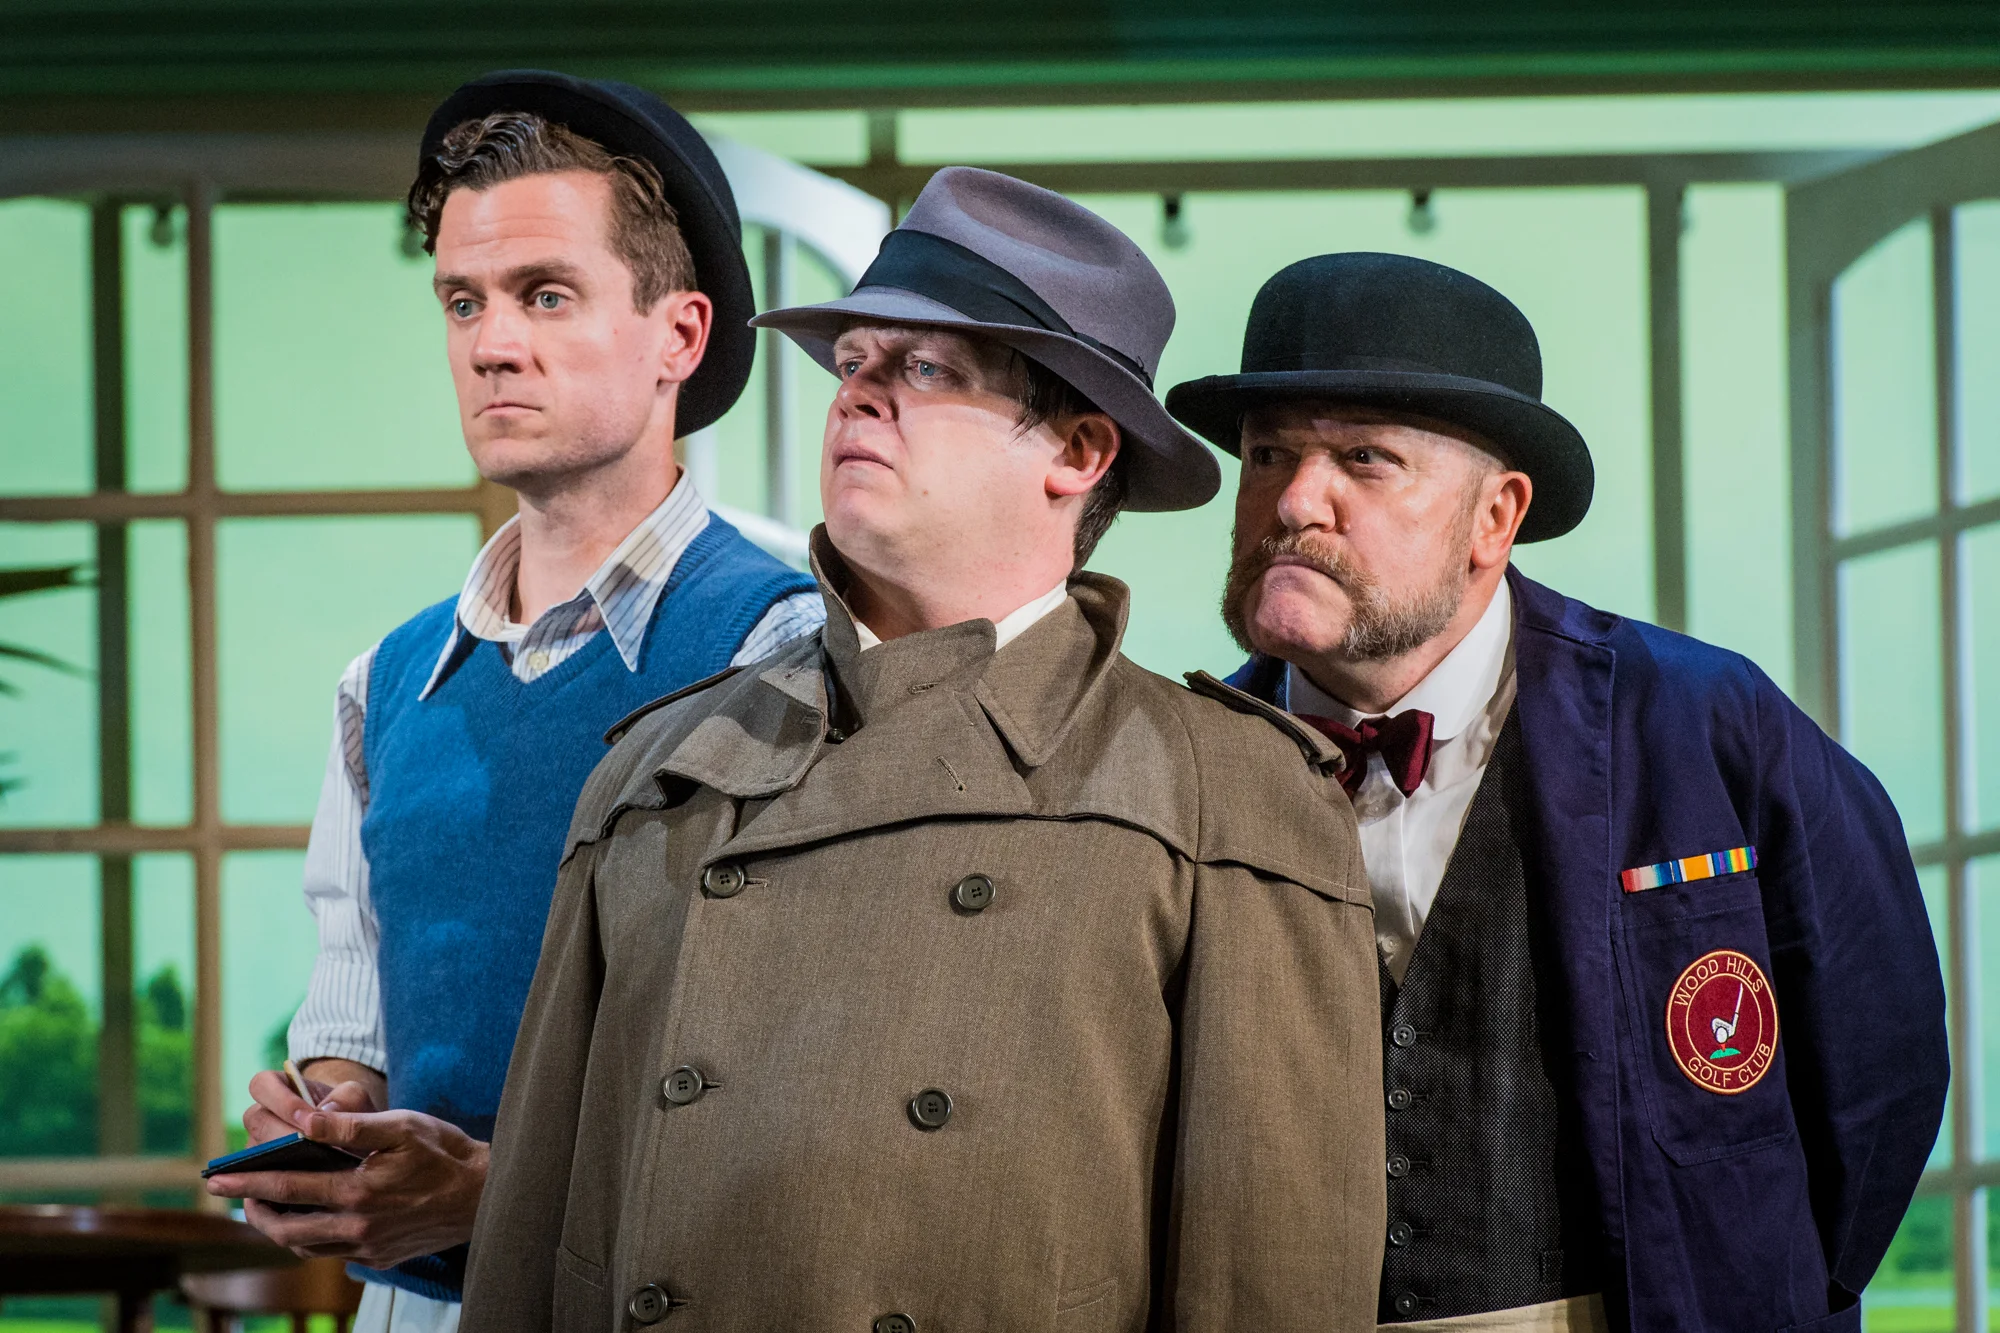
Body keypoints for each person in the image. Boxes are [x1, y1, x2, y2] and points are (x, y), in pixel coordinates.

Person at [461, 168, 1386, 1330]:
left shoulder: (1229, 797)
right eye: (853, 362)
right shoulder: (658, 771)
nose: (858, 394)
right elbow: (531, 1248)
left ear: (1077, 450)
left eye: (928, 370)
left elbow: (1268, 1286)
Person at [1165, 251, 1949, 1332]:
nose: (1295, 501)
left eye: (1363, 458)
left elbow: (1880, 1065)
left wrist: (1750, 1293)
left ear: (1494, 517)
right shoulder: (1183, 769)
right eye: (1267, 454)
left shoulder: (1706, 725)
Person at [201, 70, 824, 1332]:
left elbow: (803, 1078)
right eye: (463, 301)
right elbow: (353, 1016)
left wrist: (492, 1195)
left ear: (679, 337)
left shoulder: (785, 649)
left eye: (546, 295)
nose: (491, 343)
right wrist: (330, 1122)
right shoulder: (384, 684)